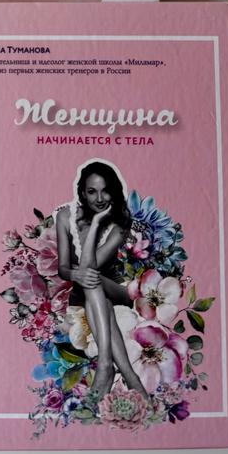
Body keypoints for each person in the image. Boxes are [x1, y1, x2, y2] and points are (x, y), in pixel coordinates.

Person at [55, 160, 148, 401]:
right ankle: (132, 379)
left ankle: (105, 364)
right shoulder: (64, 217)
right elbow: (63, 268)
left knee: (93, 279)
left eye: (105, 190)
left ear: (114, 191)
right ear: (82, 193)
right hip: (87, 290)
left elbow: (90, 266)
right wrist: (74, 274)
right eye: (91, 191)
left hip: (116, 288)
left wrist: (96, 223)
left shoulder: (119, 225)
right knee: (97, 297)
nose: (99, 198)